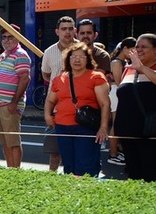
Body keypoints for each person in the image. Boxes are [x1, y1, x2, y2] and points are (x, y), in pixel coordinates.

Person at [43, 42, 110, 177]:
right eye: (73, 57)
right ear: (68, 59)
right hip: (62, 127)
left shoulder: (96, 77)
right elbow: (50, 100)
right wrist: (47, 115)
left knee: (86, 167)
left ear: (88, 59)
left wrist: (103, 127)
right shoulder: (59, 79)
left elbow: (105, 104)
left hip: (85, 127)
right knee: (69, 167)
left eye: (81, 57)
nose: (77, 60)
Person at [114, 33, 156, 182]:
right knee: (134, 177)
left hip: (152, 133)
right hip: (127, 133)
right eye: (137, 46)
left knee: (153, 177)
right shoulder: (129, 68)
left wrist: (142, 68)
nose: (139, 49)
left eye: (144, 47)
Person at [0, 25, 32, 168]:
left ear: (18, 38)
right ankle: (10, 170)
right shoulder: (4, 55)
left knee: (13, 142)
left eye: (10, 37)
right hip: (0, 104)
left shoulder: (20, 54)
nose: (6, 40)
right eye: (4, 37)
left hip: (9, 105)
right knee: (5, 142)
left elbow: (25, 79)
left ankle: (15, 172)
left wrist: (14, 103)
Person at [41, 16, 77, 173]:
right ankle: (52, 179)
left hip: (78, 107)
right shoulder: (49, 52)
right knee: (54, 150)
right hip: (56, 106)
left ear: (75, 30)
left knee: (76, 150)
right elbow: (46, 75)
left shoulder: (82, 50)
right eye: (63, 29)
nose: (67, 32)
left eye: (70, 28)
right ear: (57, 31)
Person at [106, 36, 136, 165]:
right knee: (116, 123)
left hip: (121, 93)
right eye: (132, 50)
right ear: (125, 48)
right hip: (116, 93)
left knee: (120, 123)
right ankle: (113, 154)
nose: (134, 53)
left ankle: (118, 151)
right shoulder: (116, 62)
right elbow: (119, 82)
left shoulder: (125, 62)